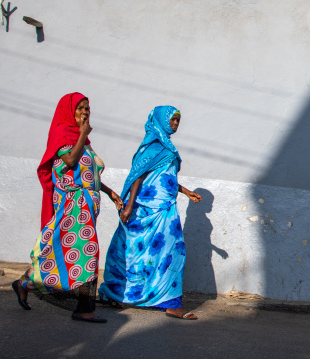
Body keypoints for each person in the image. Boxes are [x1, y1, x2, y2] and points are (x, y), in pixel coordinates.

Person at [11, 92, 123, 323]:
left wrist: (109, 192)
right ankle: (83, 307)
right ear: (68, 111)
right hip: (72, 206)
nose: (84, 112)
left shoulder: (85, 142)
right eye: (80, 108)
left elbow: (87, 175)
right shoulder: (63, 134)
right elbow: (71, 161)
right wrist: (82, 133)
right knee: (86, 254)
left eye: (87, 108)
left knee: (67, 255)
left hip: (87, 206)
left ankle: (25, 283)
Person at [98, 105, 202, 320]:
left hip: (166, 209)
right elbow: (138, 176)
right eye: (172, 120)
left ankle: (171, 302)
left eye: (177, 121)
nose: (175, 124)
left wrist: (185, 191)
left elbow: (165, 176)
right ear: (161, 120)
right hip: (144, 209)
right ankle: (118, 294)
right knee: (135, 254)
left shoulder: (168, 147)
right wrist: (128, 206)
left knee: (172, 254)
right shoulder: (153, 146)